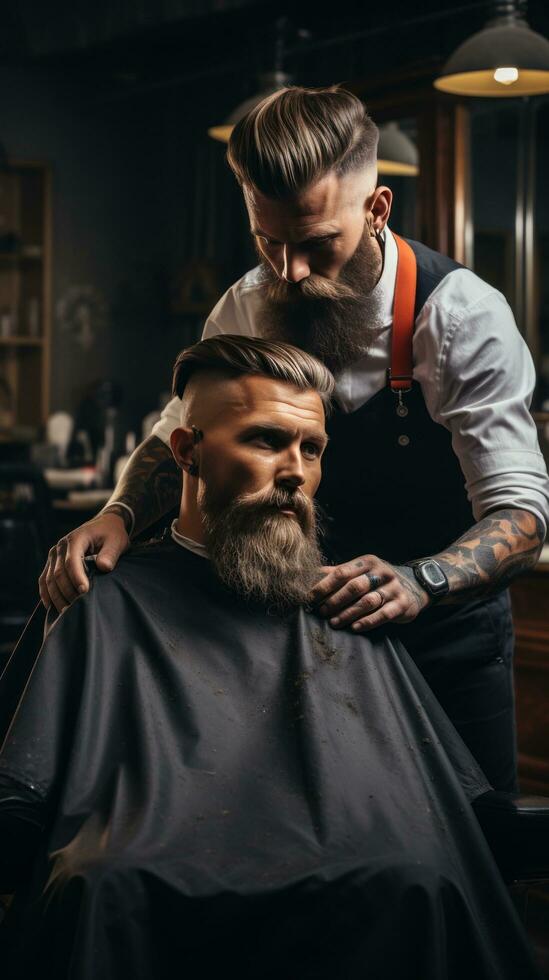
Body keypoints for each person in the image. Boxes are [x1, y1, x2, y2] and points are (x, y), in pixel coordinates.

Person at [39, 87, 549, 795]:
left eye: (315, 245)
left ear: (376, 210)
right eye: (267, 242)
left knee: (466, 854)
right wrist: (118, 513)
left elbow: (521, 516)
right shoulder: (249, 303)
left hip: (442, 645)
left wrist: (419, 580)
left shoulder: (460, 318)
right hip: (299, 635)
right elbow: (176, 430)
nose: (289, 271)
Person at [0, 336, 543, 979]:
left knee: (420, 878)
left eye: (311, 449)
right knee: (105, 881)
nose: (294, 472)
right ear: (187, 452)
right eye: (264, 440)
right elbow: (20, 801)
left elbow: (462, 807)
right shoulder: (103, 598)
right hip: (141, 864)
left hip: (362, 865)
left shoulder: (346, 603)